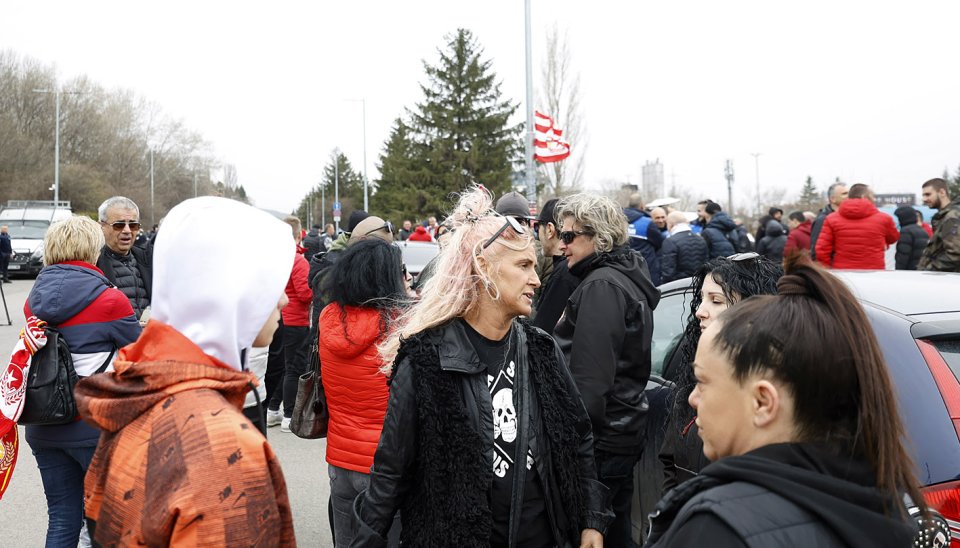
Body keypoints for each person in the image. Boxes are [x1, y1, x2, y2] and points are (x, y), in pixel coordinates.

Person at [352, 186, 613, 547]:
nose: (536, 279)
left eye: (535, 267)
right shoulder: (426, 359)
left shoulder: (540, 349)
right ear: (484, 267)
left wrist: (591, 520)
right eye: (523, 265)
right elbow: (390, 473)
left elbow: (578, 437)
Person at [646, 254, 924, 547]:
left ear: (764, 401)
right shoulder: (886, 506)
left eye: (703, 382)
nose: (692, 397)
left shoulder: (718, 528)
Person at [75, 196, 296, 546]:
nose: (283, 300)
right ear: (233, 291)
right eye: (270, 285)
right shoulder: (221, 443)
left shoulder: (139, 389)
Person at [21, 216, 141, 547]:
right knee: (107, 522)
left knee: (62, 517)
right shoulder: (109, 299)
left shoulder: (34, 299)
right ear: (92, 248)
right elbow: (140, 352)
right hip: (94, 426)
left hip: (43, 423)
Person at [552, 192, 659, 548]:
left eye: (569, 236)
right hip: (616, 436)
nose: (562, 245)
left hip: (601, 444)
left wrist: (572, 448)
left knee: (598, 537)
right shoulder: (615, 279)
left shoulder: (602, 286)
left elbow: (589, 385)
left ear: (598, 237)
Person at [658, 254, 783, 493]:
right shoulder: (689, 369)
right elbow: (670, 463)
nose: (700, 312)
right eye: (702, 299)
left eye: (716, 301)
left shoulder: (777, 393)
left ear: (753, 308)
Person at [320, 238, 407, 547]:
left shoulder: (328, 318)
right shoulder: (398, 325)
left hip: (340, 460)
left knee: (346, 541)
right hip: (385, 466)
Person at [267, 216, 313, 432]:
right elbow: (304, 294)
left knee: (282, 367)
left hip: (278, 318)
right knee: (294, 368)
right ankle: (289, 415)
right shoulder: (298, 261)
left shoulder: (274, 258)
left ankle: (273, 409)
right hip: (296, 320)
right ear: (298, 235)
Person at [814, 183, 898, 270]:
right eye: (872, 196)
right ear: (864, 196)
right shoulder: (884, 219)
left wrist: (829, 271)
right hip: (874, 272)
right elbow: (893, 238)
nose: (874, 199)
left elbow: (821, 250)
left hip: (842, 273)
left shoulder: (831, 219)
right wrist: (882, 243)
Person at [95, 196, 152, 320]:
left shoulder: (149, 259)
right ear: (101, 226)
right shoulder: (92, 263)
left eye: (133, 225)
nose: (127, 230)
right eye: (119, 225)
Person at [531, 198, 580, 332]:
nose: (537, 235)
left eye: (537, 227)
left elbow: (542, 331)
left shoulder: (565, 272)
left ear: (549, 230)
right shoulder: (576, 266)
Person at [918, 177, 960, 272]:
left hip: (947, 280)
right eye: (923, 195)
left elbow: (955, 254)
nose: (924, 199)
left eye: (928, 194)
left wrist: (929, 270)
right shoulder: (944, 216)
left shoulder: (952, 217)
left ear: (942, 192)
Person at [623, 193, 664, 285]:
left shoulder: (616, 221)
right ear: (642, 205)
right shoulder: (647, 223)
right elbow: (660, 243)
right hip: (646, 271)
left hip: (622, 270)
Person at [660, 211, 708, 283]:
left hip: (679, 285)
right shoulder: (700, 239)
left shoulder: (670, 241)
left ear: (670, 224)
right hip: (699, 283)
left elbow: (668, 272)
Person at [809, 182, 848, 262]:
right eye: (844, 194)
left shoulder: (846, 217)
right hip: (832, 271)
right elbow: (816, 251)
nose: (848, 196)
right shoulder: (822, 220)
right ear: (833, 199)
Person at [894, 206, 930, 270]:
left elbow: (903, 255)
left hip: (909, 271)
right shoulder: (922, 230)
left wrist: (898, 271)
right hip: (920, 269)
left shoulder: (906, 231)